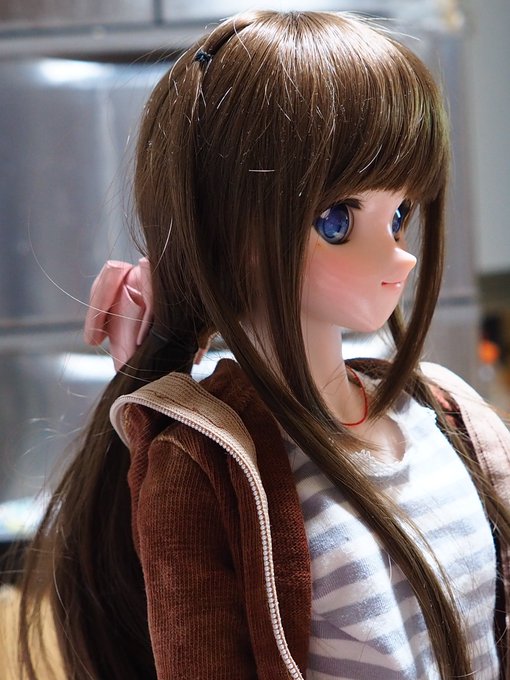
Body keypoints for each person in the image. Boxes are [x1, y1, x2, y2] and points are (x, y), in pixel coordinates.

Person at [11, 9, 510, 680]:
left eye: (399, 214)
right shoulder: (208, 463)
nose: (398, 253)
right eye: (336, 220)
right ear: (224, 228)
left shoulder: (447, 412)